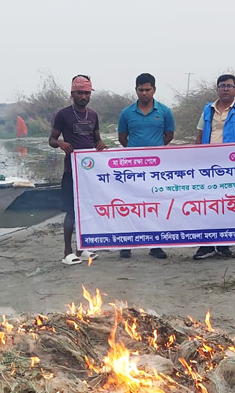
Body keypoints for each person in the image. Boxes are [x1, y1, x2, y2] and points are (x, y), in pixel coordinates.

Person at [192, 74, 235, 259]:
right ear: (217, 89)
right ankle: (205, 245)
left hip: (233, 166)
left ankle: (223, 244)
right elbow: (200, 136)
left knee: (227, 204)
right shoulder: (207, 110)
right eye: (222, 86)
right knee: (207, 204)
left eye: (229, 86)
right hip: (208, 166)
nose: (225, 89)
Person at [49, 75, 107, 265]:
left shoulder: (93, 115)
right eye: (80, 93)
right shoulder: (63, 115)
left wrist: (100, 145)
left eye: (87, 93)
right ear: (72, 94)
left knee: (86, 210)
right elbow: (51, 140)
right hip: (71, 171)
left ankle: (81, 249)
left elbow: (96, 139)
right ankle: (67, 251)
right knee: (71, 211)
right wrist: (60, 143)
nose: (83, 96)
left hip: (89, 173)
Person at [117, 73, 175, 259]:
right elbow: (122, 139)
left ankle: (155, 245)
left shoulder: (165, 111)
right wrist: (137, 155)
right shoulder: (126, 113)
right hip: (132, 167)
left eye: (147, 89)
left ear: (154, 90)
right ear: (136, 90)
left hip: (157, 168)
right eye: (140, 90)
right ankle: (127, 243)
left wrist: (153, 153)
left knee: (155, 205)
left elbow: (169, 136)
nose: (144, 93)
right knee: (130, 203)